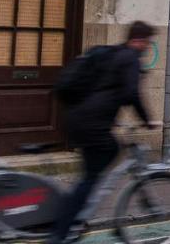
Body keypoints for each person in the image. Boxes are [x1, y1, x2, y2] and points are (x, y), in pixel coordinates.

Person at [49, 21, 158, 244]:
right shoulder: (130, 58)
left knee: (94, 170)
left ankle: (76, 217)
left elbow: (106, 91)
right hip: (92, 124)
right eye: (148, 42)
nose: (148, 47)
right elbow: (130, 94)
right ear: (139, 40)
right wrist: (147, 121)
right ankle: (61, 232)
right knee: (93, 174)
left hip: (78, 116)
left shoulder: (113, 54)